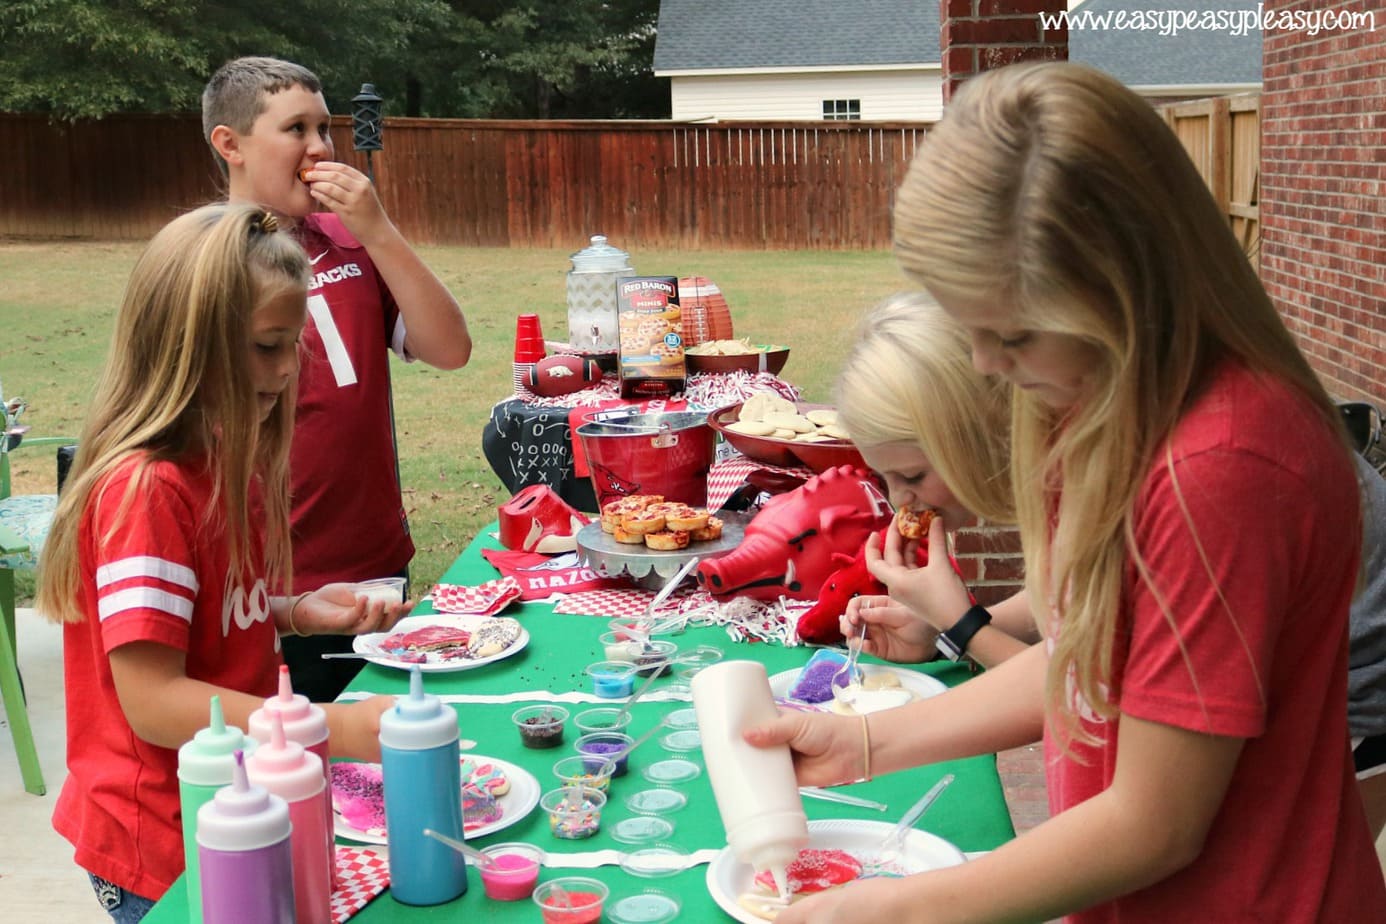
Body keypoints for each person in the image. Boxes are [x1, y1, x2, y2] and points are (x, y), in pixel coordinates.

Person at [747, 62, 1384, 922]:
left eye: (1009, 333)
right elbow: (1086, 669)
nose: (981, 366)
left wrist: (899, 909)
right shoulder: (1107, 414)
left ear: (1122, 291)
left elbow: (1153, 826)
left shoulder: (1221, 468)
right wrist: (862, 741)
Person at [38, 204, 407, 921]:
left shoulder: (223, 459)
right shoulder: (147, 491)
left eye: (292, 342)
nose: (288, 367)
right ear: (186, 348)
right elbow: (153, 700)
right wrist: (337, 727)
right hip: (165, 839)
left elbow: (200, 613)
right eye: (268, 345)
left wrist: (295, 611)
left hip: (235, 805)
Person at [201, 57, 472, 701]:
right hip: (271, 580)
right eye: (296, 129)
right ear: (231, 145)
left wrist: (376, 230)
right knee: (298, 756)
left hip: (375, 558)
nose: (321, 147)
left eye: (325, 128)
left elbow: (451, 348)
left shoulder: (346, 241)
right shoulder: (202, 262)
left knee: (385, 746)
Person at [833, 291, 1037, 668]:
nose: (899, 500)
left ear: (979, 436)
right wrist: (936, 633)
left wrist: (960, 625)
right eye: (883, 477)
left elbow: (1081, 696)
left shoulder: (1088, 490)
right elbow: (1057, 606)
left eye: (912, 475)